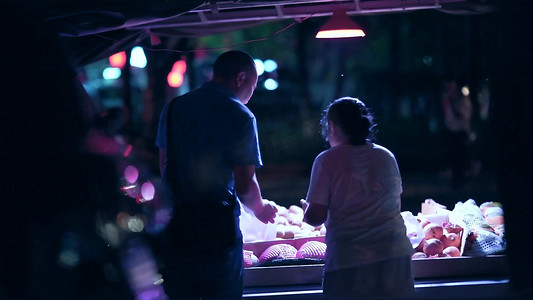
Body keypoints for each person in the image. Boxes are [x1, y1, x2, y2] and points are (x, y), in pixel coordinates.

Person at [155, 50, 277, 300]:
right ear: (240, 78)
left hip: (176, 226)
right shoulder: (240, 115)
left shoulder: (174, 107)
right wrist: (261, 209)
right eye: (253, 87)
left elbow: (164, 165)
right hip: (216, 230)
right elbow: (244, 186)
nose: (250, 96)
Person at [300, 97, 414, 300]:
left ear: (332, 127)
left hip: (350, 262)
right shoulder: (386, 156)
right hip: (395, 258)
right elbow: (392, 203)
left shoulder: (327, 160)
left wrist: (306, 209)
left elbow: (316, 217)